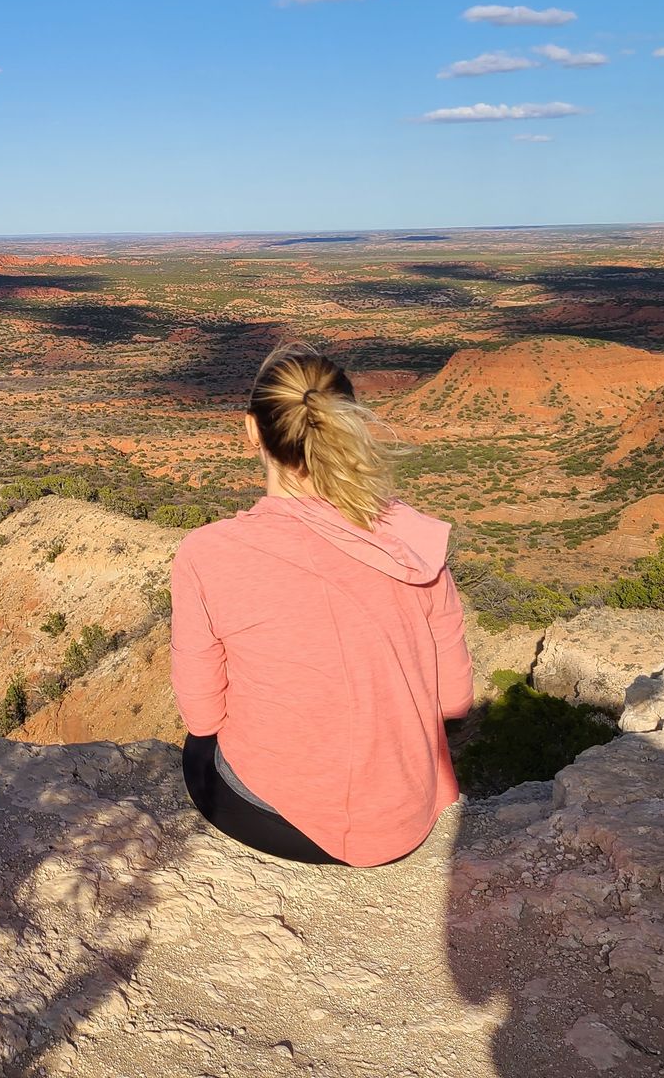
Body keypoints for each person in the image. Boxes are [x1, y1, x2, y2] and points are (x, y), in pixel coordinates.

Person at [170, 344, 474, 867]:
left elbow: (203, 716)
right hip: (405, 819)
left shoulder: (209, 553)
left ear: (251, 431)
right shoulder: (413, 543)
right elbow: (454, 703)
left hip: (278, 821)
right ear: (345, 425)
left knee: (198, 750)